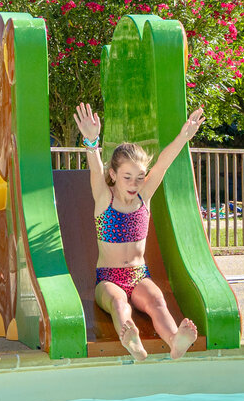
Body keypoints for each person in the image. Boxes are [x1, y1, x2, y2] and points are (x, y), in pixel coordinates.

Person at [73, 101, 204, 362]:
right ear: (113, 174)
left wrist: (183, 136)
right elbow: (94, 169)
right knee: (118, 303)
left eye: (140, 176)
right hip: (108, 279)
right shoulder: (104, 199)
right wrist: (91, 141)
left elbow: (164, 163)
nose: (135, 183)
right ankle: (131, 341)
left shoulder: (144, 197)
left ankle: (175, 341)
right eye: (127, 177)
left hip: (139, 275)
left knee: (156, 299)